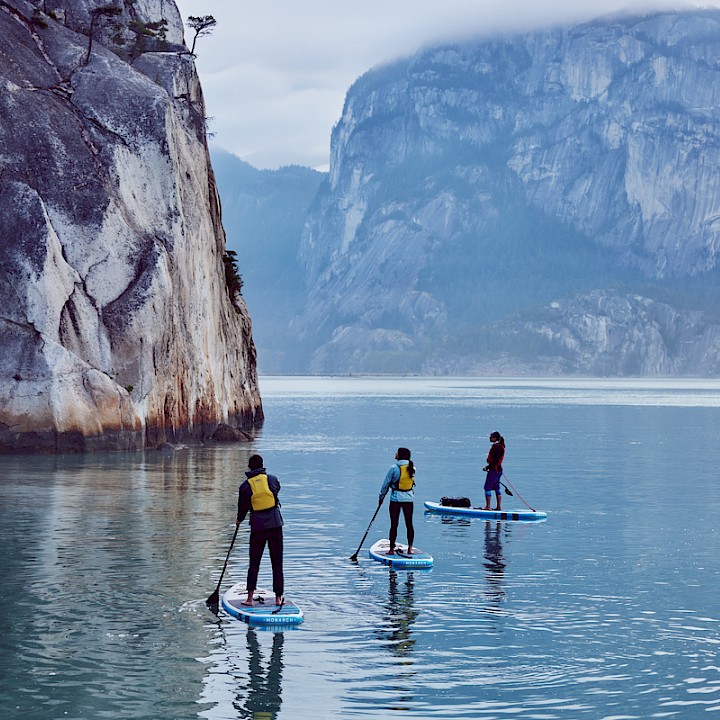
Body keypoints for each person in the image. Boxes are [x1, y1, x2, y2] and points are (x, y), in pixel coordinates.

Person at [236, 454, 284, 606]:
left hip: (257, 527)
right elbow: (276, 490)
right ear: (262, 465)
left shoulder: (245, 486)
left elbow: (242, 508)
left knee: (254, 562)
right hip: (275, 525)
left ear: (250, 467)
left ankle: (249, 599)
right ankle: (278, 598)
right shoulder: (272, 479)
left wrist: (239, 520)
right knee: (277, 563)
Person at [378, 447, 416, 555]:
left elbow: (385, 484)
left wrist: (381, 498)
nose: (395, 454)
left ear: (400, 455)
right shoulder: (412, 468)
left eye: (397, 453)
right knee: (409, 524)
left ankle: (391, 550)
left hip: (395, 499)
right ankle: (410, 548)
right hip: (409, 499)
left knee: (394, 524)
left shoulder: (393, 468)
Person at [482, 431, 506, 511]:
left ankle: (488, 507)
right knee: (496, 488)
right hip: (498, 470)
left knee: (487, 487)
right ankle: (498, 507)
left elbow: (495, 460)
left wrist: (488, 467)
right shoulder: (500, 446)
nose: (490, 438)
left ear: (495, 438)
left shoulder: (497, 447)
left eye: (491, 437)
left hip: (494, 470)